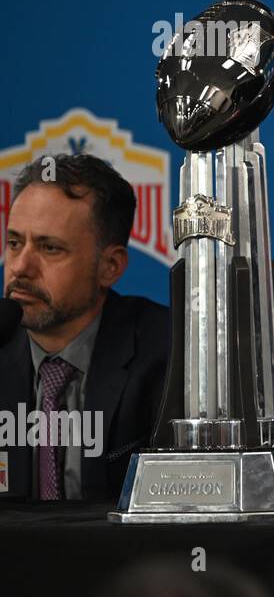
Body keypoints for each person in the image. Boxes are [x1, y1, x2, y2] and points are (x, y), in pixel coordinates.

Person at [0, 154, 169, 501]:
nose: (20, 267)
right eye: (15, 243)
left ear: (110, 266)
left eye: (49, 248)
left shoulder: (168, 352)